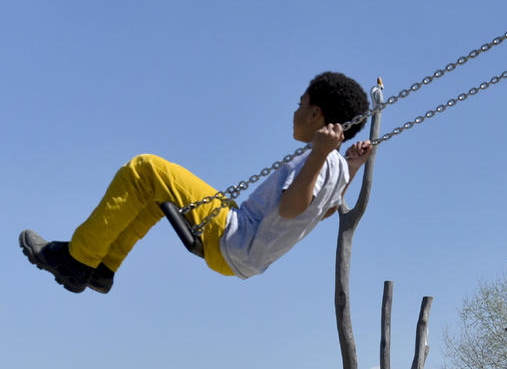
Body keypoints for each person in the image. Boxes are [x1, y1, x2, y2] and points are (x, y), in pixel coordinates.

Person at [19, 71, 373, 294]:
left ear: (316, 114)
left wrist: (317, 155)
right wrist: (353, 166)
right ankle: (103, 268)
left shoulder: (321, 158)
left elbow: (294, 207)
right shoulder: (337, 165)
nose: (295, 112)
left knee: (145, 168)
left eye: (301, 105)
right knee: (153, 191)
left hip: (234, 236)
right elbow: (321, 211)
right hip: (241, 253)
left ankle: (77, 259)